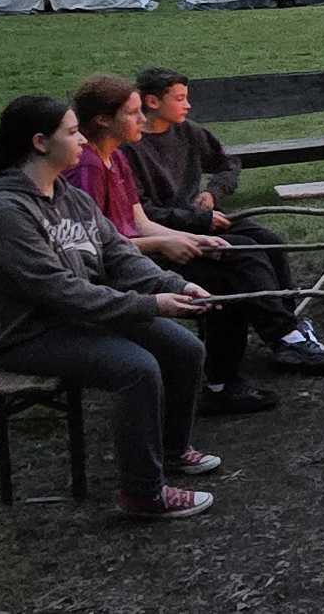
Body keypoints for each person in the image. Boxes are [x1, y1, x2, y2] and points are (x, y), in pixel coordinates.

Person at [0, 95, 220, 519]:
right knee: (136, 369)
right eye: (71, 132)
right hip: (26, 333)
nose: (82, 139)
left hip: (78, 317)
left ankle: (169, 452)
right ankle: (143, 493)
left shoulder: (71, 198)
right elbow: (57, 290)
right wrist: (151, 304)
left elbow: (120, 256)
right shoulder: (2, 213)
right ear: (41, 142)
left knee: (184, 348)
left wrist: (178, 285)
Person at [65, 76, 285, 416]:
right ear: (103, 120)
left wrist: (187, 238)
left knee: (232, 256)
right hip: (113, 269)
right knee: (222, 279)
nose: (141, 120)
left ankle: (233, 372)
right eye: (133, 113)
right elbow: (97, 245)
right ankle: (253, 358)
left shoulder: (115, 158)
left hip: (138, 249)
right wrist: (165, 244)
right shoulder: (88, 167)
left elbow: (138, 221)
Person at [126, 68, 324, 375]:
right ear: (152, 101)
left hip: (202, 217)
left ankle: (291, 327)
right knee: (243, 252)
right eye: (179, 98)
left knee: (270, 240)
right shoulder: (132, 147)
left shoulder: (188, 131)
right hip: (171, 230)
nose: (187, 105)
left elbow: (228, 162)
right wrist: (196, 218)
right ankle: (284, 334)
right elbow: (143, 212)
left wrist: (213, 192)